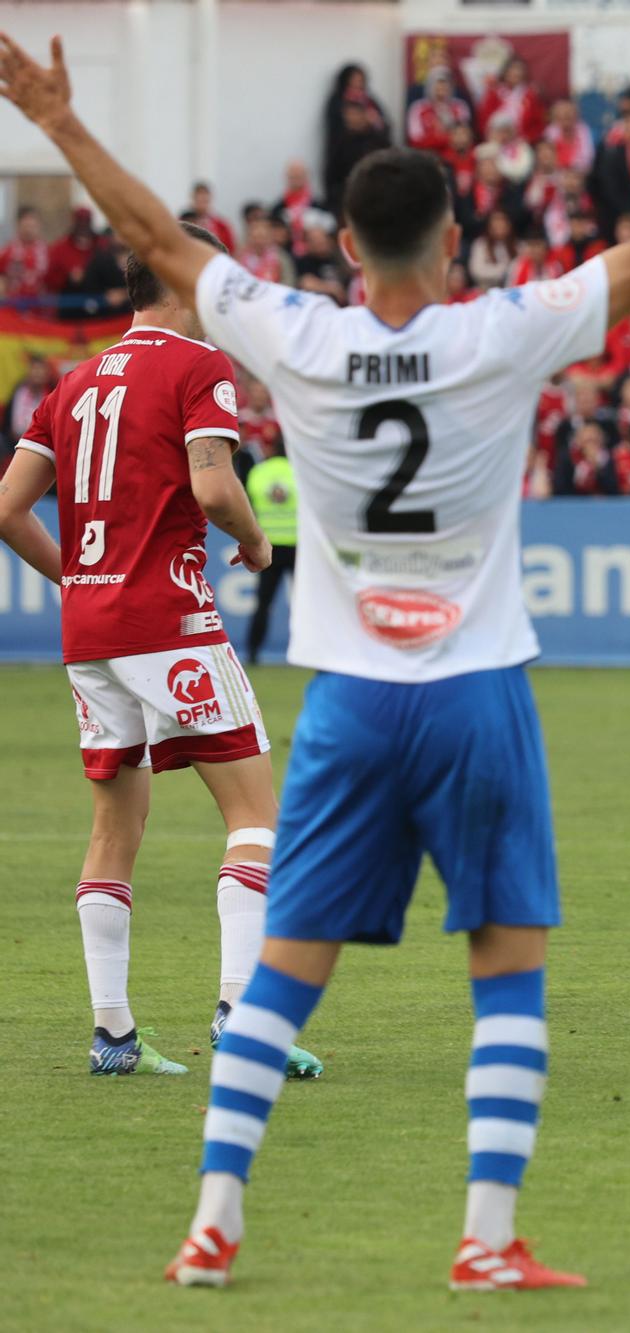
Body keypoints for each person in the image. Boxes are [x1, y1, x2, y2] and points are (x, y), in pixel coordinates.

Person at [0, 29, 630, 1288]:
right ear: (453, 240)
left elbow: (164, 245)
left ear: (345, 246)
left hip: (352, 701)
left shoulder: (297, 336)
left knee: (288, 969)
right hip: (473, 695)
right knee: (507, 968)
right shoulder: (499, 333)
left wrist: (60, 122)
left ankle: (213, 1222)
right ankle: (484, 1236)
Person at [0, 221, 321, 1084]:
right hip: (169, 622)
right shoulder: (196, 366)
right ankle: (242, 1014)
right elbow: (216, 487)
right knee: (256, 818)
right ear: (185, 277)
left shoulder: (71, 384)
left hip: (93, 631)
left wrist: (80, 578)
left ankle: (113, 1034)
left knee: (115, 828)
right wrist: (255, 545)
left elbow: (6, 507)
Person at [244, 437, 296, 665]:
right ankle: (306, 653)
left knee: (263, 603)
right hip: (298, 546)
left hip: (269, 546)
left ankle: (253, 652)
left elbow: (251, 505)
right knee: (304, 604)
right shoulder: (299, 472)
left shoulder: (259, 473)